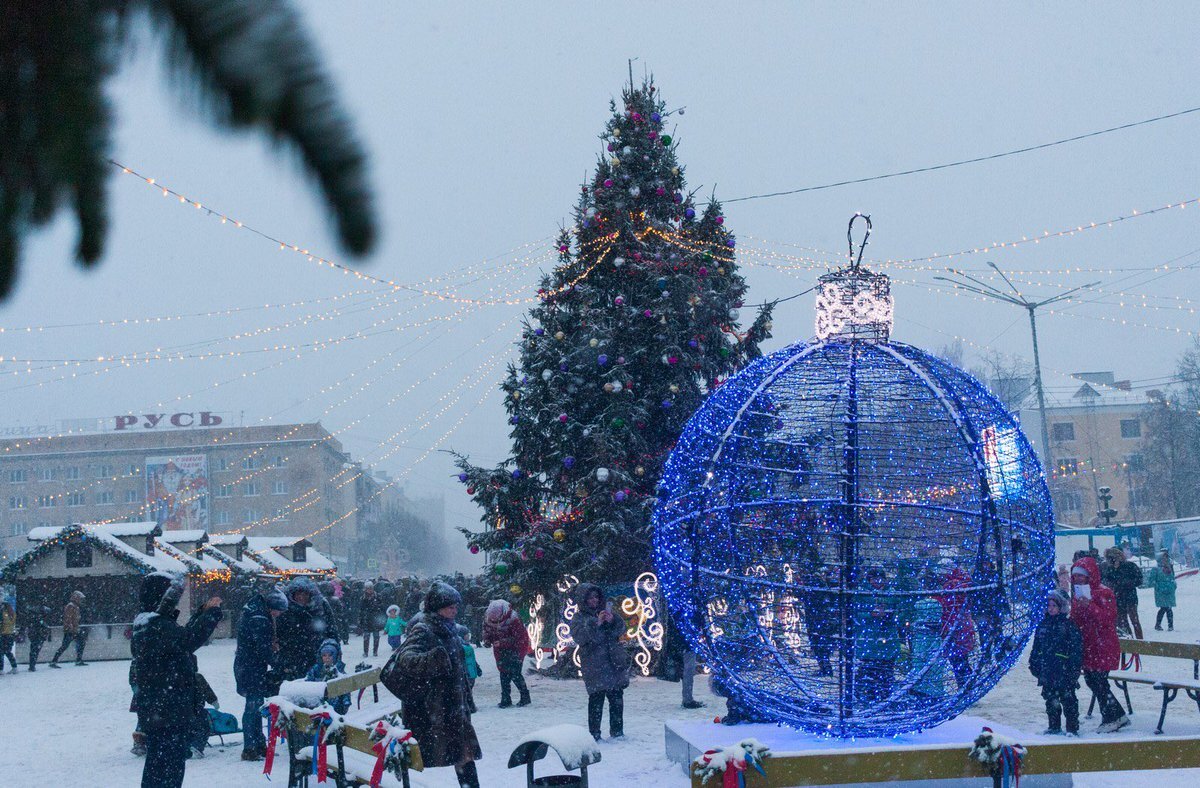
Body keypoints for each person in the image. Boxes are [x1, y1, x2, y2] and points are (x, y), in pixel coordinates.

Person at [382, 581, 481, 788]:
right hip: (435, 709)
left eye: (455, 606)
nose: (455, 610)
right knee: (458, 755)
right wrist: (436, 659)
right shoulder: (424, 629)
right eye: (450, 607)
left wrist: (466, 697)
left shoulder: (449, 628)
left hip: (453, 707)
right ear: (437, 608)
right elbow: (406, 659)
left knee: (464, 755)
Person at [132, 573, 223, 788]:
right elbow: (189, 639)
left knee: (159, 763)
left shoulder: (149, 624)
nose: (175, 602)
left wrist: (201, 613)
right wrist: (211, 613)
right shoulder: (157, 626)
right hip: (168, 709)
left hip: (160, 708)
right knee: (168, 766)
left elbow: (182, 636)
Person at [1069, 557, 1129, 733]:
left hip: (1103, 645)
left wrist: (1089, 606)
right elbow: (1078, 620)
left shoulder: (1104, 593)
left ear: (1090, 576)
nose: (1078, 579)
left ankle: (1111, 717)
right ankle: (1117, 714)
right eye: (1075, 576)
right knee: (1092, 680)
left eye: (1081, 575)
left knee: (1099, 681)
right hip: (1088, 645)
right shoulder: (1078, 594)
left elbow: (1107, 618)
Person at [569, 583, 630, 741]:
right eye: (590, 598)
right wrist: (596, 624)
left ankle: (617, 732)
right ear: (583, 600)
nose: (594, 600)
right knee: (596, 699)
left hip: (613, 662)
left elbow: (621, 629)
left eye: (596, 597)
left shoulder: (607, 613)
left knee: (616, 698)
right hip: (594, 665)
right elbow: (580, 637)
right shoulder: (579, 618)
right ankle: (594, 734)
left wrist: (613, 621)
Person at [234, 585, 288, 761]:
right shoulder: (260, 618)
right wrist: (278, 664)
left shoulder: (254, 610)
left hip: (247, 665)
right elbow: (262, 648)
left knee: (255, 706)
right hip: (252, 667)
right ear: (272, 607)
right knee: (253, 707)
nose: (278, 615)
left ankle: (257, 744)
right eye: (278, 611)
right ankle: (251, 747)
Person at [1029, 590, 1083, 735]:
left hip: (1064, 669)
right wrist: (1034, 663)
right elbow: (1037, 647)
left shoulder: (1068, 626)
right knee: (1050, 698)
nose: (1051, 608)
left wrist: (1073, 667)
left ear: (1061, 607)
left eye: (1054, 605)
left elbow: (1076, 649)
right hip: (1047, 669)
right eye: (1049, 605)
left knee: (1068, 699)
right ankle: (1054, 726)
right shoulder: (1043, 625)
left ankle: (1072, 727)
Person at [852, 568, 900, 708]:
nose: (878, 582)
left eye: (880, 579)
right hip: (869, 642)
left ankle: (884, 699)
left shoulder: (892, 594)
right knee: (868, 671)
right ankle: (868, 698)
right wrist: (870, 614)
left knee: (886, 672)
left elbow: (900, 613)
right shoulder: (862, 594)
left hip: (887, 642)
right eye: (874, 579)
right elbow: (855, 614)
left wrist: (889, 615)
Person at [275, 576, 338, 682]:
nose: (301, 597)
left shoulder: (321, 606)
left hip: (316, 656)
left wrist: (332, 649)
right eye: (298, 594)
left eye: (305, 594)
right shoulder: (285, 610)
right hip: (291, 658)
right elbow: (278, 633)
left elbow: (331, 630)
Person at [482, 599, 532, 709]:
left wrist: (502, 642)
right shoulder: (488, 617)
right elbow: (487, 631)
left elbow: (519, 638)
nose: (494, 620)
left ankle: (524, 696)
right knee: (503, 673)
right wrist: (487, 640)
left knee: (515, 673)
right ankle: (506, 698)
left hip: (517, 649)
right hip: (500, 650)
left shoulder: (513, 619)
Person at [937, 564, 977, 689]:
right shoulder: (964, 583)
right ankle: (967, 685)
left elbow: (948, 607)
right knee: (962, 659)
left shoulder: (952, 585)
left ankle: (965, 686)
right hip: (964, 626)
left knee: (957, 660)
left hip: (954, 627)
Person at [1101, 547, 1144, 639]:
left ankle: (1139, 641)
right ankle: (1131, 639)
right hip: (1119, 597)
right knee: (1123, 621)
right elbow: (1107, 581)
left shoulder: (1130, 566)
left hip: (1129, 596)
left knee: (1133, 620)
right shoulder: (1110, 569)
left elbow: (1139, 580)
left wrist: (1126, 583)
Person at [305, 639, 351, 713]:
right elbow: (307, 684)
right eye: (324, 655)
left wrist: (345, 704)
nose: (327, 658)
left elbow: (346, 691)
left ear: (335, 656)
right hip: (316, 707)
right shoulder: (316, 670)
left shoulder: (339, 672)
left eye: (330, 655)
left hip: (335, 709)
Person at [49, 590, 87, 667]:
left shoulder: (75, 606)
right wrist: (71, 628)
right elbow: (68, 619)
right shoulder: (71, 606)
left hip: (74, 630)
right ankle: (54, 661)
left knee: (80, 642)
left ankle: (78, 660)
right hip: (70, 630)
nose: (81, 600)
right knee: (65, 646)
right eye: (80, 598)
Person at [1147, 550, 1177, 632]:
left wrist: (1173, 585)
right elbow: (1151, 581)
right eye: (1163, 558)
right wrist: (1159, 587)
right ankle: (1162, 625)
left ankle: (1168, 625)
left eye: (1166, 558)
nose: (1165, 559)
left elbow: (1172, 577)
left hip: (1169, 590)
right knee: (1164, 608)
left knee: (1168, 608)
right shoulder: (1156, 569)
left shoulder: (1170, 567)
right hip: (1161, 592)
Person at [358, 582, 385, 658]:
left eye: (371, 588)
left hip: (375, 619)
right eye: (368, 588)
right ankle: (365, 652)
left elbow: (382, 607)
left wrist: (377, 607)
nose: (369, 590)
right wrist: (360, 620)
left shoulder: (378, 596)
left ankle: (375, 652)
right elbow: (361, 610)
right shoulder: (363, 598)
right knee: (366, 637)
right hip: (366, 619)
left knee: (376, 636)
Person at [22, 604, 50, 671]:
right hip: (38, 635)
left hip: (34, 634)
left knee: (33, 650)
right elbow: (43, 625)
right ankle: (32, 666)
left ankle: (32, 665)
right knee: (35, 650)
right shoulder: (39, 617)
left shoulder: (33, 615)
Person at [0, 600, 18, 673]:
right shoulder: (12, 613)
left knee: (1, 652)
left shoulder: (2, 613)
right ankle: (14, 667)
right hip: (10, 634)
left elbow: (2, 624)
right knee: (8, 652)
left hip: (3, 634)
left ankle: (1, 669)